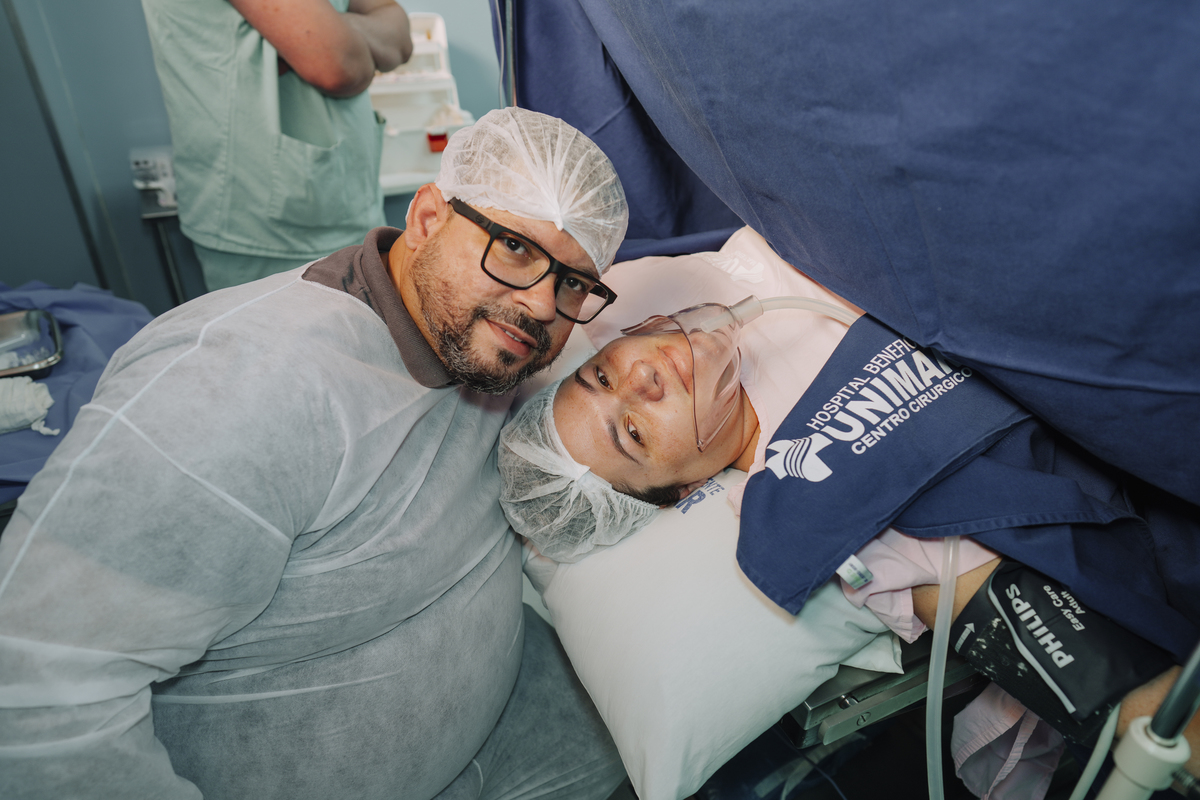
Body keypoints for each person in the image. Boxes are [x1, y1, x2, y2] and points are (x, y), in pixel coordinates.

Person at [0, 108, 629, 800]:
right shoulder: (246, 386)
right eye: (512, 246)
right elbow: (35, 695)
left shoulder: (483, 351)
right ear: (427, 219)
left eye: (573, 283)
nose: (540, 305)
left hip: (505, 733)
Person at [497, 226, 1200, 798]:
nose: (642, 378)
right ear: (683, 493)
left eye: (601, 374)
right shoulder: (813, 502)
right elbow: (1071, 658)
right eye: (634, 432)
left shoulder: (740, 267)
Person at [141, 0, 413, 291]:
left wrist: (339, 30)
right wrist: (346, 40)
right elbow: (340, 65)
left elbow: (399, 34)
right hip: (269, 223)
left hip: (346, 198)